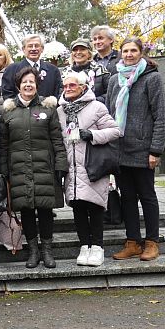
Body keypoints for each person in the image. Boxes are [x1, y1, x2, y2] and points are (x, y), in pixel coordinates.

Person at [0, 66, 68, 269]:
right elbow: (3, 145)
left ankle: (47, 250)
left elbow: (58, 140)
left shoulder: (48, 110)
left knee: (45, 210)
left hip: (44, 168)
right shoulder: (8, 112)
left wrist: (61, 164)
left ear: (37, 84)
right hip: (18, 168)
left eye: (31, 81)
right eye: (24, 82)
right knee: (26, 210)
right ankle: (33, 251)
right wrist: (5, 169)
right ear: (18, 86)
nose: (28, 85)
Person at [106, 37, 165, 261]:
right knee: (127, 197)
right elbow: (110, 114)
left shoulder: (151, 79)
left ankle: (152, 242)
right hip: (120, 149)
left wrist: (156, 150)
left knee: (147, 196)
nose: (129, 54)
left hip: (143, 150)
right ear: (120, 53)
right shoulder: (114, 80)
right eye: (125, 51)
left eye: (133, 50)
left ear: (141, 53)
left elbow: (160, 116)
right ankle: (132, 242)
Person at [57, 72, 120, 266]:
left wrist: (92, 134)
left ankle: (98, 247)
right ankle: (85, 246)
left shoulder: (97, 107)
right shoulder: (60, 111)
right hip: (72, 168)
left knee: (95, 206)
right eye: (65, 86)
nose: (68, 89)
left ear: (83, 88)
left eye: (72, 86)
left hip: (92, 166)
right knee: (78, 207)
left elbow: (115, 130)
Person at [1, 34, 62, 100]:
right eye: (30, 46)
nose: (33, 49)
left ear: (42, 49)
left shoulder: (53, 70)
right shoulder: (11, 69)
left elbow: (58, 94)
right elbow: (7, 94)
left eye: (36, 46)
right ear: (24, 49)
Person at [63, 38, 111, 103]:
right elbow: (61, 93)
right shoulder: (65, 72)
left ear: (89, 53)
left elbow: (109, 93)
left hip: (95, 108)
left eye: (82, 49)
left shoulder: (100, 70)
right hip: (69, 109)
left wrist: (92, 101)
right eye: (75, 50)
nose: (78, 52)